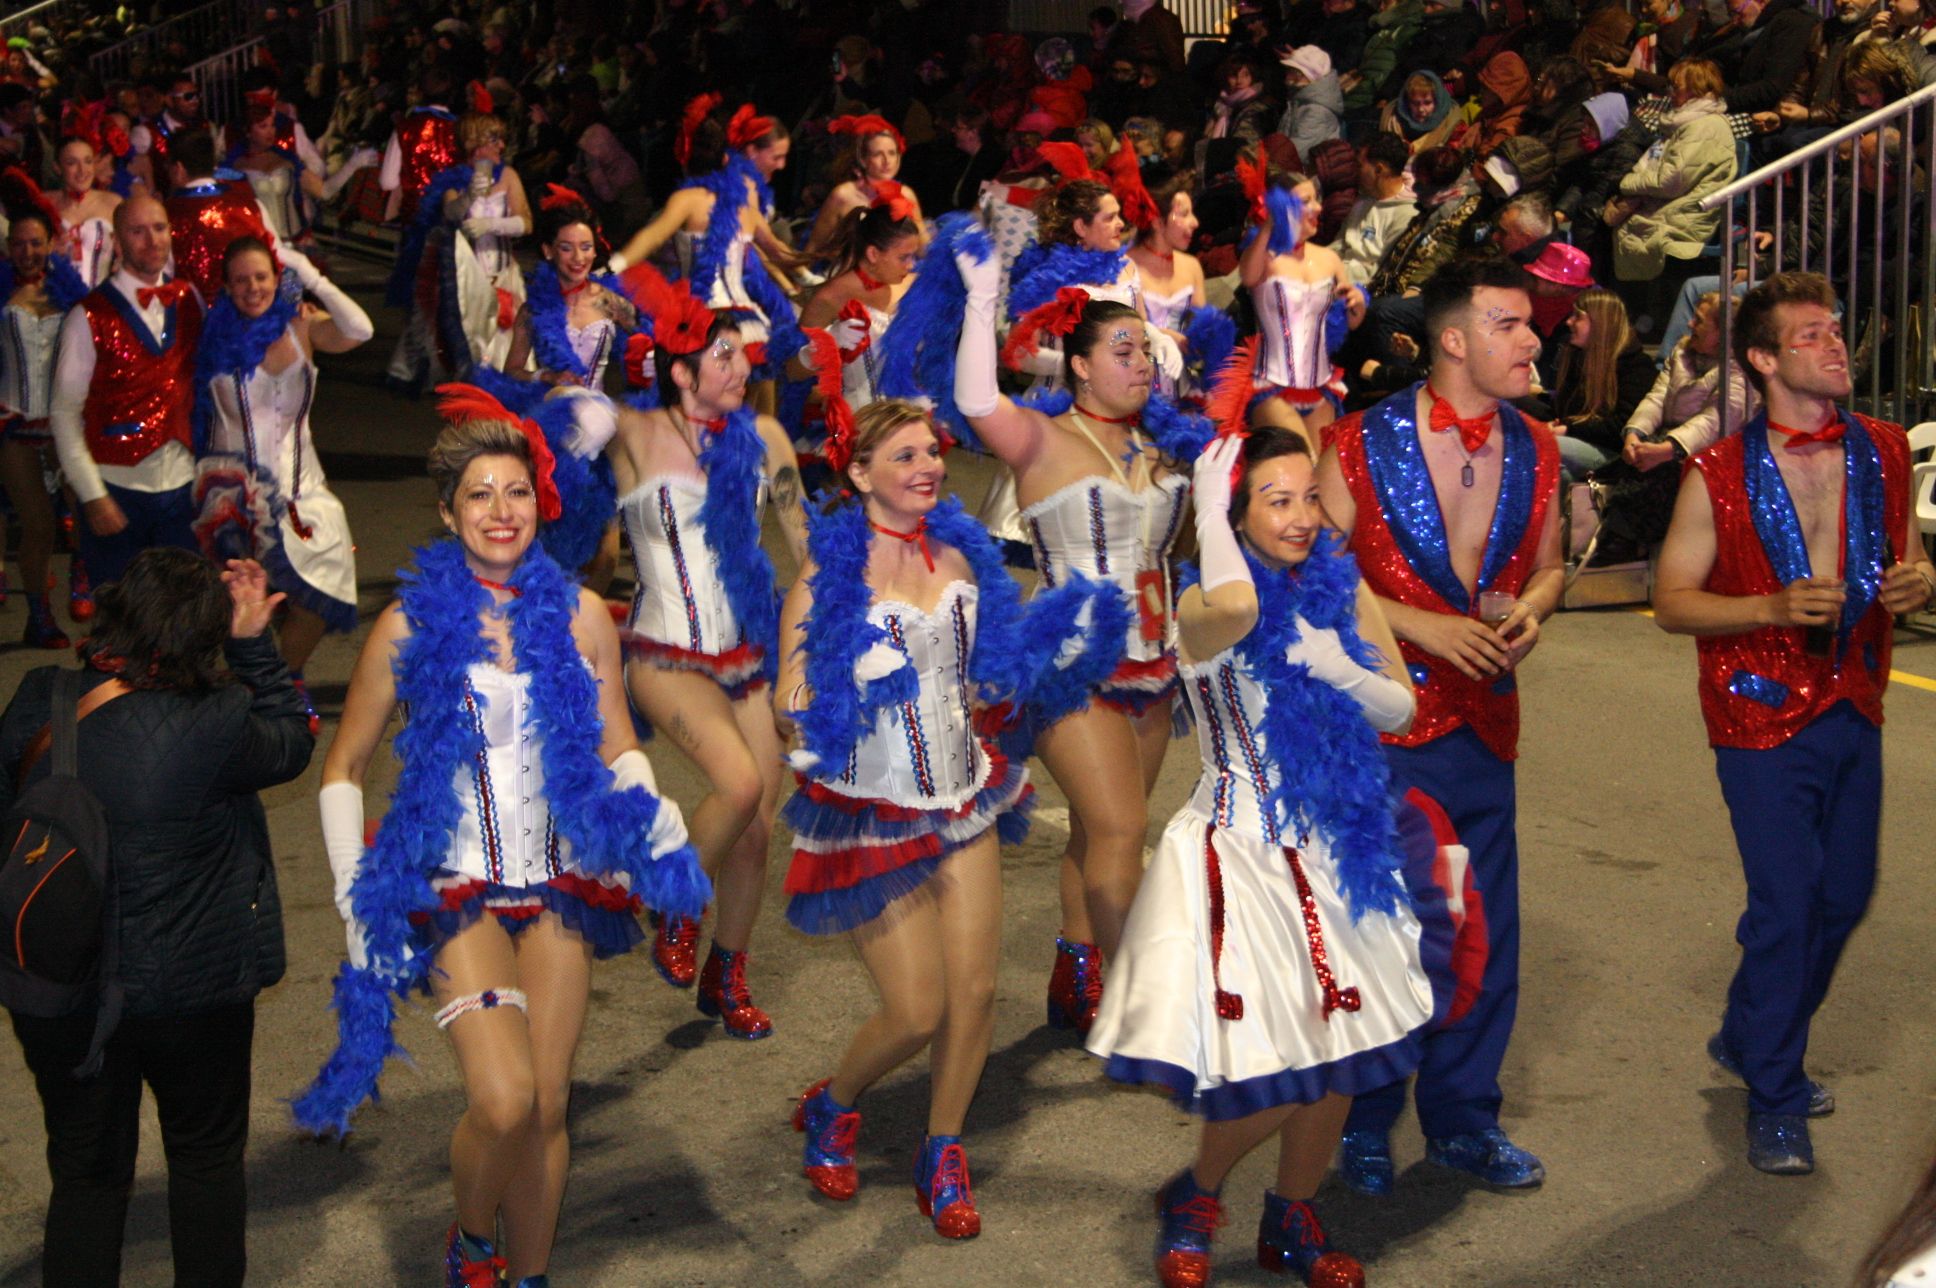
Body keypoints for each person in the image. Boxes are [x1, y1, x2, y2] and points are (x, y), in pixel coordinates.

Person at [296, 393, 706, 1285]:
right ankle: (473, 1235)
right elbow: (345, 765)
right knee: (504, 1097)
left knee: (549, 1107)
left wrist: (645, 800)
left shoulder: (584, 615)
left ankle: (528, 1273)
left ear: (539, 503)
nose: (499, 511)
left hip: (560, 883)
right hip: (456, 886)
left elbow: (616, 742)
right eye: (478, 495)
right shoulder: (408, 625)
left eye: (515, 492)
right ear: (448, 512)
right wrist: (350, 891)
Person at [1090, 429, 1462, 1288]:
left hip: (1339, 852)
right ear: (1233, 511)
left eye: (1309, 497)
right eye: (1276, 500)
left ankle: (1290, 1216)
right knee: (1273, 1066)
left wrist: (1345, 671)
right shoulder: (1195, 606)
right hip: (1241, 856)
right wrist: (1211, 519)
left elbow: (1401, 711)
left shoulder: (1342, 585)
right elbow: (1243, 613)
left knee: (1344, 1052)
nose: (1301, 519)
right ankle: (1198, 1193)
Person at [779, 400, 1108, 1240]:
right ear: (858, 475)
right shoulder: (829, 582)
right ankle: (835, 1104)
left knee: (976, 993)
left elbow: (988, 672)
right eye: (904, 456)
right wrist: (842, 683)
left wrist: (1021, 670)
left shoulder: (963, 552)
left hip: (963, 793)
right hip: (872, 811)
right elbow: (791, 704)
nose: (928, 466)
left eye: (932, 451)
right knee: (916, 1010)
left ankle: (943, 1147)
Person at [1652, 271, 1930, 1174]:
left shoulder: (1884, 449)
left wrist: (1919, 581)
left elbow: (1913, 560)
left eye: (1837, 330)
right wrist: (1767, 604)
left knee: (1843, 897)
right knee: (1787, 905)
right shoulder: (1716, 473)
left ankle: (1746, 1034)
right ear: (1766, 360)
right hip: (1757, 714)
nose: (1836, 344)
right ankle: (1774, 1092)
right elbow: (1670, 603)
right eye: (1812, 335)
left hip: (1855, 699)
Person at [1316, 253, 1563, 1194]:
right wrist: (1418, 625)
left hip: (1485, 725)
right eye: (1511, 324)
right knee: (1383, 931)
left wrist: (1536, 607)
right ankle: (1364, 1121)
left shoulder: (1537, 446)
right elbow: (1311, 579)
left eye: (1531, 325)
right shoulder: (1355, 443)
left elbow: (1548, 562)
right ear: (1453, 340)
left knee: (1482, 931)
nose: (1533, 340)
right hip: (1382, 726)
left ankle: (1464, 1117)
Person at [2, 548, 314, 1288]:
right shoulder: (217, 722)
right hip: (190, 991)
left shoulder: (40, 700)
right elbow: (295, 738)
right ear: (201, 634)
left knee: (85, 1172)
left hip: (61, 987)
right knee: (204, 1160)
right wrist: (253, 646)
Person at [949, 245, 1211, 1035]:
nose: (1142, 362)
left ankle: (1078, 967)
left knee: (1106, 826)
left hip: (1158, 668)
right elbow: (971, 397)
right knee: (1126, 829)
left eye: (1147, 349)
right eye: (1122, 350)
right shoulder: (1040, 439)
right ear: (1081, 367)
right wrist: (979, 296)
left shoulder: (1165, 445)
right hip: (1072, 669)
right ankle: (1142, 1005)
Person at [604, 268, 805, 1040]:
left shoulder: (765, 440)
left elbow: (806, 549)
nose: (742, 366)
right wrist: (581, 320)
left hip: (746, 650)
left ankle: (727, 973)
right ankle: (674, 899)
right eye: (722, 355)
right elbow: (545, 412)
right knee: (740, 781)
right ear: (682, 369)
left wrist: (817, 647)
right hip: (662, 651)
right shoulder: (631, 430)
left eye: (744, 355)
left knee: (756, 823)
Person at [192, 235, 372, 692]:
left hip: (301, 489)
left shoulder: (302, 327)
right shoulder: (210, 336)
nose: (253, 287)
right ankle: (259, 689)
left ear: (278, 278)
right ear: (227, 287)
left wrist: (310, 276)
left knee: (323, 589)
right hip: (231, 493)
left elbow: (361, 329)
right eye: (241, 280)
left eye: (262, 276)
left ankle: (273, 682)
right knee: (242, 605)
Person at [50, 194, 203, 589]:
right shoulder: (88, 316)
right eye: (137, 231)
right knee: (122, 629)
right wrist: (92, 494)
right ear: (117, 242)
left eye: (158, 228)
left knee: (182, 619)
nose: (152, 240)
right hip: (116, 491)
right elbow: (65, 413)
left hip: (182, 491)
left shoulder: (190, 300)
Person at [0, 202, 88, 647]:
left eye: (36, 242)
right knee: (37, 525)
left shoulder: (72, 294)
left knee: (87, 510)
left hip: (64, 425)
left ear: (51, 244)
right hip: (15, 426)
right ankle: (39, 617)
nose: (28, 251)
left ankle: (82, 576)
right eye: (19, 244)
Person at [1239, 176, 1368, 444]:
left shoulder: (1329, 259)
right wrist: (1269, 226)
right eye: (1306, 201)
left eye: (1316, 199)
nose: (1319, 208)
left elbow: (1352, 324)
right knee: (1303, 458)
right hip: (1272, 386)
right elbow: (1248, 277)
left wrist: (1357, 302)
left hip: (1321, 386)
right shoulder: (1265, 257)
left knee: (1320, 472)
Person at [504, 194, 638, 390]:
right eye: (566, 248)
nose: (578, 258)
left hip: (598, 413)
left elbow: (649, 340)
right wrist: (547, 376)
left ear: (594, 251)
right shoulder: (532, 312)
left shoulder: (611, 303)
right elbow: (512, 371)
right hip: (550, 411)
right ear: (548, 251)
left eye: (586, 247)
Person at [1547, 287, 1658, 480]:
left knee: (1545, 445)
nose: (1569, 322)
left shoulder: (1636, 367)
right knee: (1557, 471)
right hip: (1580, 443)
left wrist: (1569, 428)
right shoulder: (1576, 357)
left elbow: (1620, 428)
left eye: (1577, 316)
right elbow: (1567, 411)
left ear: (1600, 323)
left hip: (1615, 455)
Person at [162, 129, 278, 305]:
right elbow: (279, 260)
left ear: (178, 169)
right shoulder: (250, 205)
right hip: (254, 314)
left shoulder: (165, 216)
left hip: (195, 325)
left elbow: (162, 278)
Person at [808, 114, 927, 254]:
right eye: (878, 154)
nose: (887, 161)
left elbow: (923, 250)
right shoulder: (842, 195)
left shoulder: (906, 194)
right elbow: (815, 246)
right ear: (863, 159)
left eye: (892, 153)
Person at [52, 132, 120, 287]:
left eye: (88, 161)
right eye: (72, 163)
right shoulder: (45, 203)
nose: (82, 170)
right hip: (53, 302)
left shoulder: (113, 203)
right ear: (57, 167)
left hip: (101, 301)